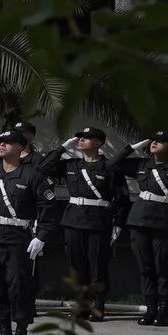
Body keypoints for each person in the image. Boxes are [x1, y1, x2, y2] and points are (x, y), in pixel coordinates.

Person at [0, 126, 59, 335]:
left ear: (21, 147)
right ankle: (4, 332)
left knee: (19, 287)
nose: (1, 145)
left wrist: (41, 237)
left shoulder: (33, 176)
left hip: (18, 238)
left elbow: (48, 208)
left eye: (8, 142)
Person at [51, 127, 123, 321]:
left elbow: (121, 197)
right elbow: (43, 167)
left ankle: (98, 307)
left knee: (98, 267)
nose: (81, 140)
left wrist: (118, 223)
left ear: (98, 143)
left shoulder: (109, 166)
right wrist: (62, 149)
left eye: (86, 138)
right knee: (77, 267)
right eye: (80, 138)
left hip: (98, 222)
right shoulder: (71, 165)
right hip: (73, 220)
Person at [122, 133, 168, 325]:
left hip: (164, 221)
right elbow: (112, 165)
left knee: (163, 266)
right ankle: (150, 309)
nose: (154, 143)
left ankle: (164, 311)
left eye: (161, 141)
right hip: (139, 220)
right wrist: (132, 148)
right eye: (152, 140)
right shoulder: (142, 164)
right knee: (145, 266)